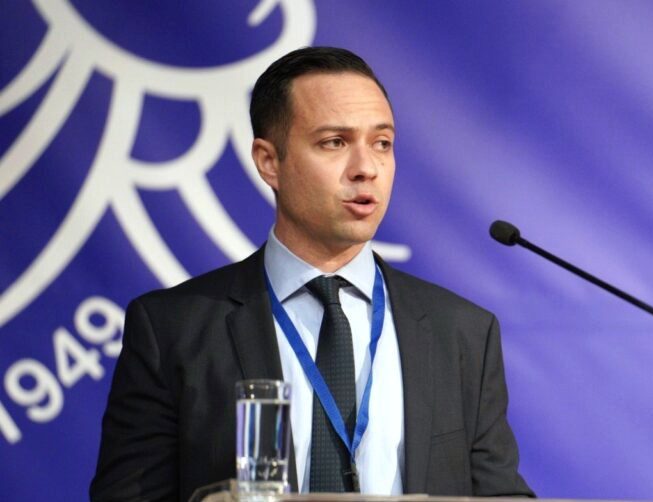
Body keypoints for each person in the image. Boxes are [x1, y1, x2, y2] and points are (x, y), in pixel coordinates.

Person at [90, 47, 534, 501]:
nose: (366, 169)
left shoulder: (461, 333)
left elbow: (500, 496)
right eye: (334, 142)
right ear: (269, 161)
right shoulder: (173, 329)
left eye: (382, 143)